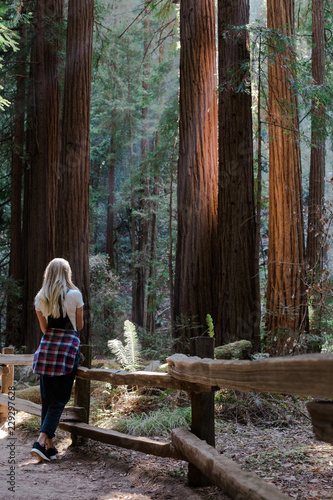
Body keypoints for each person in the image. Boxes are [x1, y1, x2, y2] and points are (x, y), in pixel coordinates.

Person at [30, 258, 84, 462]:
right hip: (66, 351)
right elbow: (79, 326)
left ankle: (49, 448)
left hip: (46, 351)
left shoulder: (40, 297)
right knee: (59, 400)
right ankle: (40, 441)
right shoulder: (75, 295)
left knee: (47, 400)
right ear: (66, 273)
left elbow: (44, 329)